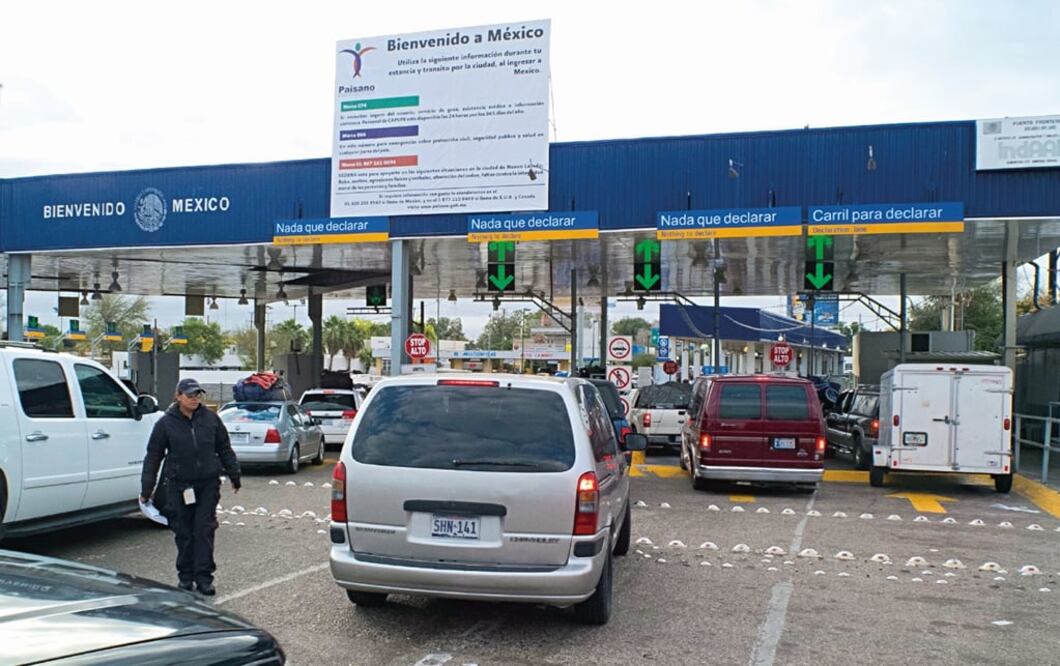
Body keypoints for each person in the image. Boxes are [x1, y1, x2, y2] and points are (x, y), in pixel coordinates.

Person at [140, 378, 241, 596]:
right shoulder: (165, 424)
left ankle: (204, 578)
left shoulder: (211, 420)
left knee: (204, 530)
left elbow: (224, 448)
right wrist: (146, 489)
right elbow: (153, 457)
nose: (194, 399)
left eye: (197, 395)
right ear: (178, 396)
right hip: (179, 486)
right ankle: (185, 576)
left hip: (207, 485)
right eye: (190, 395)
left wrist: (234, 475)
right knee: (183, 532)